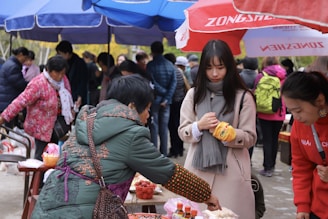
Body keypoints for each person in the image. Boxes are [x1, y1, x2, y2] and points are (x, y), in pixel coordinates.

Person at [31, 74, 221, 218]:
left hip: (47, 207)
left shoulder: (87, 120)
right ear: (131, 107)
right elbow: (167, 172)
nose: (148, 115)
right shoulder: (131, 134)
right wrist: (206, 194)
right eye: (147, 109)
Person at [178, 40, 257, 219]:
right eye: (209, 68)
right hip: (197, 174)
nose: (214, 73)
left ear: (229, 66)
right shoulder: (194, 94)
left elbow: (251, 137)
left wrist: (230, 134)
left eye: (220, 67)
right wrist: (199, 126)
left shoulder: (243, 97)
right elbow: (183, 131)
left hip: (231, 173)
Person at [0, 55, 74, 161]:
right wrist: (3, 117)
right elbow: (20, 102)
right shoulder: (38, 84)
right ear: (49, 70)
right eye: (58, 73)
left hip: (57, 128)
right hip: (41, 130)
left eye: (63, 73)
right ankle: (38, 178)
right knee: (40, 160)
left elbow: (68, 96)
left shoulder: (63, 81)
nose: (61, 76)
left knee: (53, 158)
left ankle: (48, 177)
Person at [281, 71, 328, 219]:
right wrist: (302, 205)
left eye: (299, 110)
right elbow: (301, 166)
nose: (296, 117)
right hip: (317, 208)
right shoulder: (301, 125)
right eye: (291, 111)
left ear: (320, 100)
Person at [254, 56, 287, 177]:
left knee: (267, 139)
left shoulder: (261, 75)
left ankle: (267, 167)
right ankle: (272, 165)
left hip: (263, 112)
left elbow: (255, 91)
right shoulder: (283, 76)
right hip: (279, 111)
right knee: (275, 139)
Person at [147, 41, 177, 156]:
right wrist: (167, 97)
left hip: (154, 99)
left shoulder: (151, 65)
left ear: (152, 51)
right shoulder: (170, 65)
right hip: (167, 101)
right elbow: (174, 83)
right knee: (164, 128)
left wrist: (162, 93)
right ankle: (164, 153)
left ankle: (154, 153)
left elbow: (152, 83)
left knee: (154, 127)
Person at [164, 53, 186, 158]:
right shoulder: (179, 71)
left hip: (173, 103)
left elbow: (170, 88)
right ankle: (180, 149)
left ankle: (174, 150)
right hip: (181, 101)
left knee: (173, 127)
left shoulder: (171, 71)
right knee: (179, 125)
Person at [0, 47, 29, 128]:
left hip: (5, 99)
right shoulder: (13, 66)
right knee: (8, 128)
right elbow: (19, 84)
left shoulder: (10, 63)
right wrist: (31, 85)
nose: (25, 60)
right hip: (7, 101)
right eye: (25, 58)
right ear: (20, 55)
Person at [239, 56, 261, 159]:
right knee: (251, 132)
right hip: (257, 108)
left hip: (240, 108)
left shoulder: (239, 76)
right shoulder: (260, 77)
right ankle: (249, 158)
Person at [56, 40, 88, 106]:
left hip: (76, 95)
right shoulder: (61, 63)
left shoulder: (79, 63)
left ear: (67, 53)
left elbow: (83, 81)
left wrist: (80, 96)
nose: (58, 56)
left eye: (60, 54)